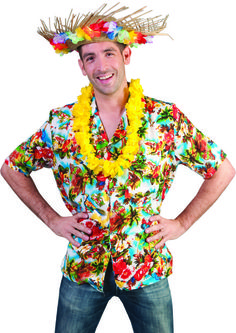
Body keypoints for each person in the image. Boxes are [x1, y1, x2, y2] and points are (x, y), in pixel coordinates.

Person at [1, 3, 235, 333]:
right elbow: (13, 167)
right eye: (91, 57)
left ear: (126, 56)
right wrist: (51, 219)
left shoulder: (164, 119)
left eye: (109, 53)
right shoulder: (62, 124)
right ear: (81, 66)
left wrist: (182, 223)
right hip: (83, 267)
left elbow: (221, 169)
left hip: (145, 265)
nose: (101, 65)